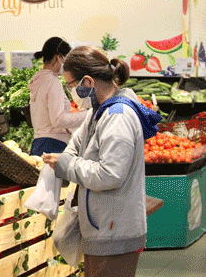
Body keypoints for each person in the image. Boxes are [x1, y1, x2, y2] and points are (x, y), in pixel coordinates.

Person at [42, 46, 162, 277]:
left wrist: (67, 165)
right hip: (103, 225)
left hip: (115, 230)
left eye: (71, 86)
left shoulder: (118, 116)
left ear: (87, 81)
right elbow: (76, 144)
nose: (72, 92)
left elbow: (110, 174)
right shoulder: (97, 113)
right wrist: (67, 158)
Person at [28, 37, 88, 156]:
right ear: (59, 57)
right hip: (53, 144)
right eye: (67, 59)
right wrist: (89, 114)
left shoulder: (38, 80)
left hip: (39, 143)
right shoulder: (52, 81)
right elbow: (58, 119)